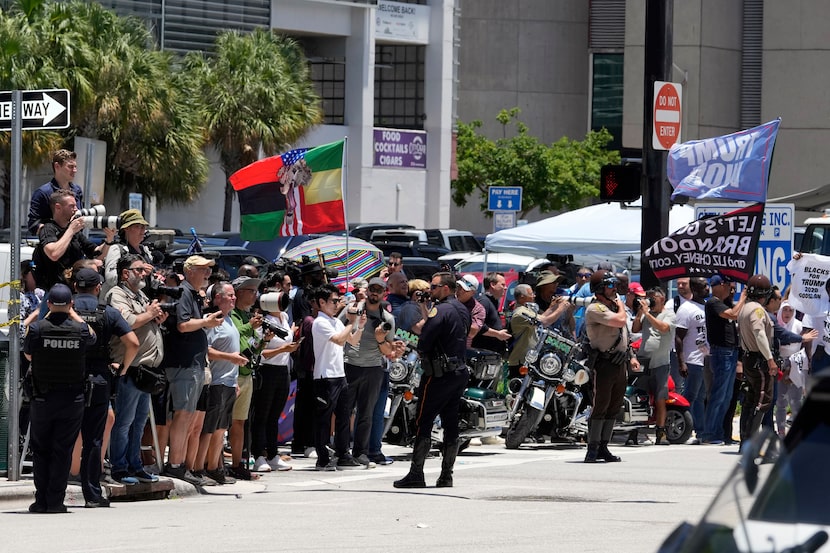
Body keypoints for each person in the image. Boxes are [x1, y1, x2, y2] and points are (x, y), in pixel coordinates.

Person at [394, 272, 471, 489]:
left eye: (434, 287)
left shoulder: (441, 310)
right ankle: (446, 475)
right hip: (457, 372)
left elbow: (425, 338)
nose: (431, 291)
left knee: (423, 421)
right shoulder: (461, 309)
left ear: (446, 288)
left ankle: (416, 473)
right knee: (450, 423)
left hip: (438, 374)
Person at [24, 284, 96, 513]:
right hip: (72, 399)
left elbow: (28, 354)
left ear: (48, 304)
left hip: (42, 398)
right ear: (71, 304)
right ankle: (55, 501)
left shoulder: (36, 329)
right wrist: (72, 313)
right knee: (62, 450)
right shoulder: (80, 330)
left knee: (41, 449)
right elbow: (92, 335)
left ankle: (41, 500)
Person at [71, 267, 139, 507]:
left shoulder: (63, 309)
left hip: (65, 379)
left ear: (75, 287)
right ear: (98, 287)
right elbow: (133, 342)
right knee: (93, 439)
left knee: (60, 436)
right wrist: (123, 369)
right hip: (98, 379)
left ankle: (53, 491)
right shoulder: (107, 312)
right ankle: (92, 494)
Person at [161, 255, 224, 485]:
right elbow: (183, 325)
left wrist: (206, 319)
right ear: (189, 271)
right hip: (184, 364)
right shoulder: (185, 292)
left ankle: (179, 465)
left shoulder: (192, 294)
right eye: (202, 269)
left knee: (186, 416)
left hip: (192, 364)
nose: (208, 273)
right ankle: (176, 466)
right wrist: (206, 322)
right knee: (183, 414)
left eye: (209, 269)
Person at [107, 254, 167, 486]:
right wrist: (149, 315)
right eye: (139, 270)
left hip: (146, 371)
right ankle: (119, 468)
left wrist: (156, 317)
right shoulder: (118, 295)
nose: (144, 273)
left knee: (139, 421)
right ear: (125, 273)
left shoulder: (140, 294)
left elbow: (143, 319)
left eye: (144, 270)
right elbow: (127, 323)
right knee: (124, 421)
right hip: (129, 368)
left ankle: (135, 465)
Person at [337, 277, 399, 468]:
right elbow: (337, 331)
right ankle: (341, 452)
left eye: (378, 290)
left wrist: (381, 339)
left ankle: (361, 452)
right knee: (344, 412)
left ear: (384, 293)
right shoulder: (352, 309)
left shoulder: (387, 319)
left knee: (366, 413)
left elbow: (389, 351)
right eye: (372, 289)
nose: (374, 293)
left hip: (373, 368)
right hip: (349, 365)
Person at [583, 270, 640, 463]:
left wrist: (631, 356)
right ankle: (592, 448)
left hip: (619, 362)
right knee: (600, 405)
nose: (614, 289)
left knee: (614, 406)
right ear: (599, 289)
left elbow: (625, 336)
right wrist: (622, 306)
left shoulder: (614, 307)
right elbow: (620, 321)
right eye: (609, 286)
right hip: (604, 363)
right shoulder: (596, 308)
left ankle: (603, 447)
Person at [196, 282, 249, 485]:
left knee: (221, 429)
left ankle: (214, 467)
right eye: (230, 295)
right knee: (209, 428)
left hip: (229, 382)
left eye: (234, 295)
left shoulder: (229, 320)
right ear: (218, 298)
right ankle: (199, 467)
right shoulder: (213, 321)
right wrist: (230, 358)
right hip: (216, 382)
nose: (234, 298)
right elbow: (207, 350)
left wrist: (234, 379)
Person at [311, 284, 366, 471]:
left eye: (337, 301)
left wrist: (359, 325)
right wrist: (351, 322)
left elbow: (352, 340)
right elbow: (339, 339)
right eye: (334, 301)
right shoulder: (320, 323)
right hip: (325, 376)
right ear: (322, 302)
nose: (337, 304)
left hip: (339, 374)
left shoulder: (335, 321)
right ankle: (322, 458)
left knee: (344, 415)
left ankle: (343, 453)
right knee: (323, 419)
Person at [228, 275, 276, 478]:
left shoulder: (247, 315)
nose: (255, 295)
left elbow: (251, 348)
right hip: (232, 374)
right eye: (250, 291)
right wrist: (251, 326)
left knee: (240, 422)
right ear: (239, 293)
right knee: (223, 424)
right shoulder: (231, 314)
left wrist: (264, 341)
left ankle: (238, 465)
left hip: (246, 374)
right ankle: (214, 464)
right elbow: (235, 334)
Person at [252, 290, 299, 472]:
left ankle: (273, 454)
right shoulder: (262, 322)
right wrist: (283, 349)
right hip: (267, 370)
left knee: (274, 416)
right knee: (262, 415)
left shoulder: (285, 317)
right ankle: (258, 455)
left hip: (282, 371)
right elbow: (260, 352)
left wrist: (292, 335)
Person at [32, 189, 116, 291]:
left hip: (74, 290)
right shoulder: (48, 229)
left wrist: (109, 239)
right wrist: (71, 230)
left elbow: (97, 254)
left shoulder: (74, 231)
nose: (76, 209)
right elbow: (53, 254)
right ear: (58, 207)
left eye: (76, 205)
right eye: (71, 206)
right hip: (54, 292)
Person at [701, 274, 746, 445]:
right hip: (721, 352)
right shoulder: (713, 303)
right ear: (718, 285)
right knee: (718, 394)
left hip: (731, 351)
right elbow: (733, 314)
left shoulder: (725, 302)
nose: (730, 289)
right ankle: (709, 433)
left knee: (726, 396)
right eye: (727, 285)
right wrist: (743, 297)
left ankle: (719, 433)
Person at [737, 274, 778, 445]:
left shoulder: (744, 308)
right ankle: (749, 445)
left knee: (750, 401)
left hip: (748, 358)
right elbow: (759, 333)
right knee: (762, 401)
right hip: (758, 360)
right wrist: (769, 358)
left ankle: (745, 442)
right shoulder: (757, 310)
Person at [632, 286, 676, 445]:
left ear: (662, 299)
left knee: (660, 398)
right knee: (639, 397)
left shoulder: (669, 314)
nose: (650, 301)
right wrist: (640, 312)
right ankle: (634, 431)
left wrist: (647, 314)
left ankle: (661, 432)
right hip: (644, 361)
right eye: (648, 297)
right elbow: (635, 328)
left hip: (660, 363)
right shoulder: (645, 313)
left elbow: (663, 328)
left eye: (653, 298)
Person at [507, 281, 571, 379]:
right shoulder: (521, 313)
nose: (534, 295)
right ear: (521, 297)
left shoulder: (525, 309)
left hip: (528, 359)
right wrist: (561, 308)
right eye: (531, 294)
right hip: (520, 361)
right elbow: (545, 322)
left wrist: (552, 307)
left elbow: (540, 318)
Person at [674, 276, 709, 444]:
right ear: (694, 289)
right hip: (691, 359)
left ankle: (700, 432)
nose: (707, 289)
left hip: (705, 360)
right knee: (689, 396)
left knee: (701, 396)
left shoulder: (706, 307)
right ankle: (685, 430)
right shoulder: (686, 309)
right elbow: (679, 337)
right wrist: (681, 361)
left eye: (707, 285)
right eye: (704, 286)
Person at [27, 149, 83, 235]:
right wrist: (52, 233)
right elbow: (33, 225)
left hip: (76, 244)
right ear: (57, 166)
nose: (75, 170)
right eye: (70, 167)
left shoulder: (77, 190)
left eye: (75, 167)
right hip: (53, 244)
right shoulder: (43, 193)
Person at [101, 209, 153, 299]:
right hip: (121, 302)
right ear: (126, 228)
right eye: (138, 226)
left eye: (144, 227)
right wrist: (136, 271)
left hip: (142, 302)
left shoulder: (145, 250)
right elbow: (111, 279)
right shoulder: (117, 249)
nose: (143, 230)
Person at [472, 272, 508, 357]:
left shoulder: (493, 302)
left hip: (492, 355)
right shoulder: (484, 302)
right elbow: (477, 326)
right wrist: (498, 334)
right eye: (502, 285)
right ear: (492, 285)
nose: (505, 288)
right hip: (483, 355)